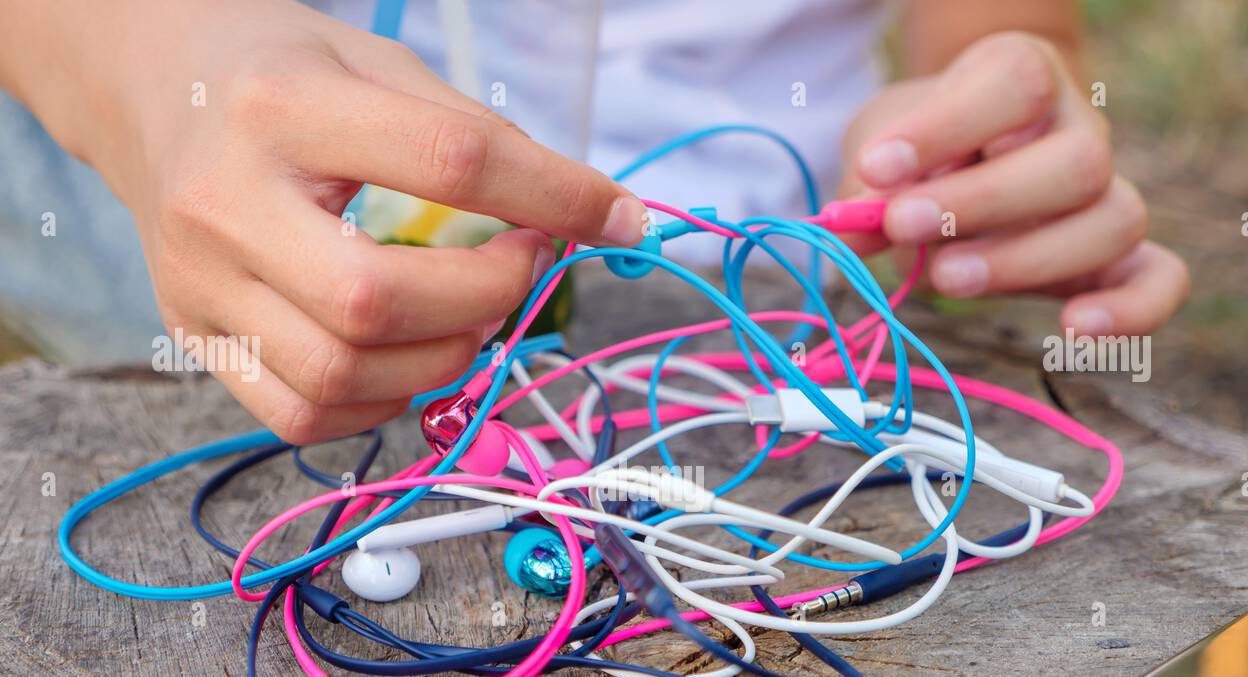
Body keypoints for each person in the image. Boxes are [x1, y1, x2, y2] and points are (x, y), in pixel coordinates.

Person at [0, 0, 1188, 444]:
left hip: (776, 318)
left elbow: (999, 32)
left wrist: (994, 126)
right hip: (276, 274)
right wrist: (162, 71)